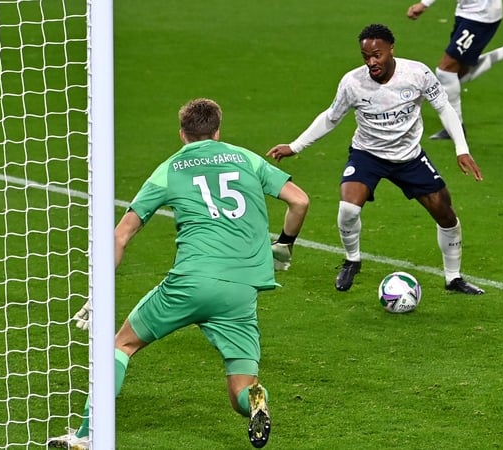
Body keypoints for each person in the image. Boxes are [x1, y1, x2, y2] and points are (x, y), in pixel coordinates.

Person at [47, 98, 309, 449]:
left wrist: (100, 292)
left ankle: (85, 436)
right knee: (240, 390)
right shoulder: (246, 158)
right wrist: (285, 244)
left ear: (182, 134)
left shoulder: (170, 169)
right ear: (218, 130)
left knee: (122, 344)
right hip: (241, 291)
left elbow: (121, 234)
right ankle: (256, 400)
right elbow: (300, 201)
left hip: (191, 282)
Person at [267, 23, 485, 296]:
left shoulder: (417, 74)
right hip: (367, 154)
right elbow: (331, 117)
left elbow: (444, 107)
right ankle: (352, 260)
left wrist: (461, 149)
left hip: (409, 157)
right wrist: (295, 145)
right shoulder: (353, 82)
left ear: (391, 49)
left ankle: (453, 278)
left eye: (377, 55)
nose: (371, 62)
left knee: (445, 214)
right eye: (365, 56)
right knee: (348, 208)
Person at [406, 0, 503, 139]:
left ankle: (455, 128)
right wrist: (425, 4)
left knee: (446, 71)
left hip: (481, 17)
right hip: (464, 12)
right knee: (456, 75)